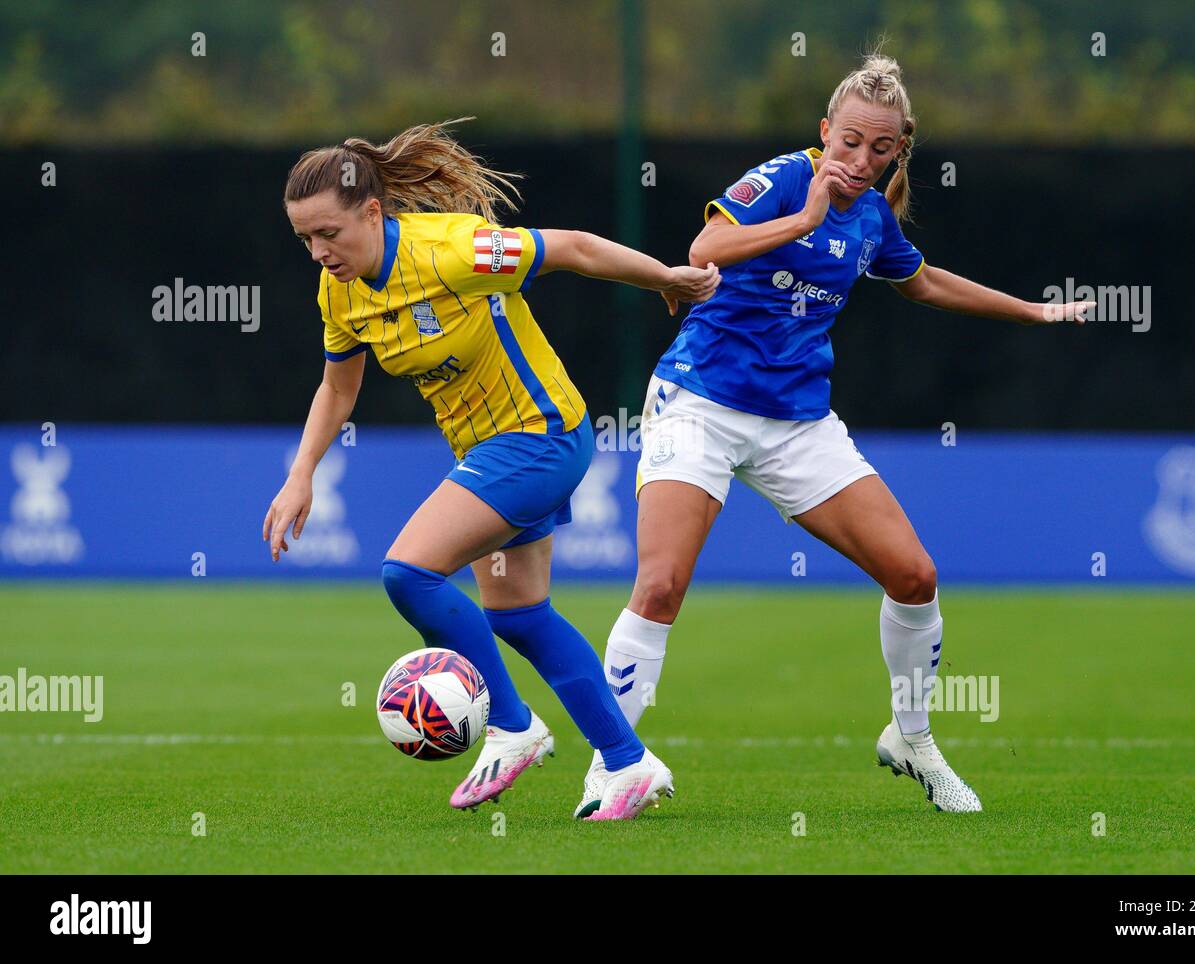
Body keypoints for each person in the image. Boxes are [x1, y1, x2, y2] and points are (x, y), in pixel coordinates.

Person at [583, 52, 1093, 815]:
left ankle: (912, 738)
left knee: (915, 576)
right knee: (659, 585)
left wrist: (1033, 310)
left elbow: (921, 281)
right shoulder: (789, 179)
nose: (859, 161)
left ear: (898, 151)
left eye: (878, 149)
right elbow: (701, 254)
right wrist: (803, 219)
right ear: (825, 132)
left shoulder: (875, 218)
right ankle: (612, 770)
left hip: (798, 424)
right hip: (700, 403)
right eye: (848, 142)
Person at [263, 120, 720, 820]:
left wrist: (665, 277)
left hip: (539, 436)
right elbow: (338, 387)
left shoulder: (451, 251)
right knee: (520, 616)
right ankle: (629, 763)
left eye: (330, 232)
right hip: (489, 454)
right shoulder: (341, 292)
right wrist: (301, 474)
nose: (320, 252)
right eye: (306, 240)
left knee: (407, 573)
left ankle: (512, 726)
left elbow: (570, 248)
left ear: (374, 212)